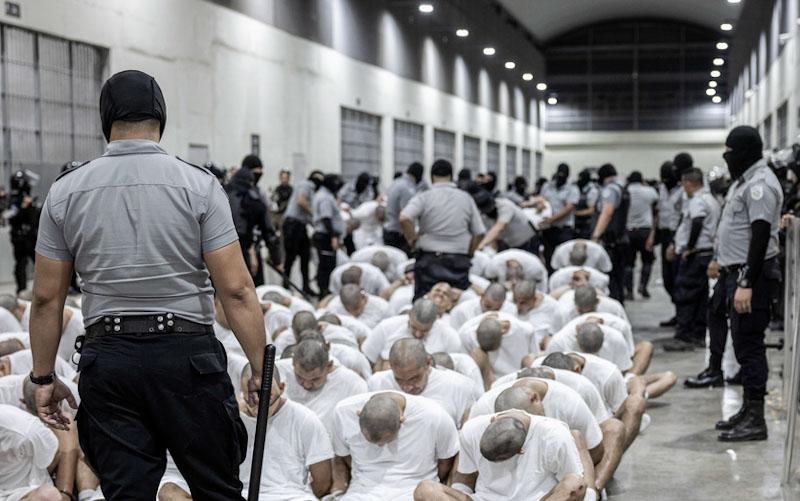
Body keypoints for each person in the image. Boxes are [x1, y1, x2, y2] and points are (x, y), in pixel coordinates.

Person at [29, 70, 267, 499]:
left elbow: (47, 298)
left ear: (105, 118)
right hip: (188, 362)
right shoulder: (199, 184)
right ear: (161, 117)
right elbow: (236, 289)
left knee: (126, 493)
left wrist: (43, 376)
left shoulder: (64, 192)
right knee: (217, 489)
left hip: (109, 362)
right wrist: (258, 366)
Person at [714, 126, 782, 442]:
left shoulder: (760, 185)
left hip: (750, 277)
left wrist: (745, 281)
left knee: (750, 346)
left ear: (742, 151)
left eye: (729, 151)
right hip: (737, 274)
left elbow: (760, 235)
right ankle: (747, 408)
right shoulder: (746, 181)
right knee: (742, 345)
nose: (726, 157)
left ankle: (757, 418)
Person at [414, 410, 586, 501]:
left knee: (575, 484)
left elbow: (572, 481)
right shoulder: (472, 429)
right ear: (491, 422)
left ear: (521, 450)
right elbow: (465, 475)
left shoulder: (555, 435)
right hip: (485, 498)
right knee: (425, 489)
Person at [330, 391, 459, 499]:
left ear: (401, 420)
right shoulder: (343, 412)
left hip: (414, 489)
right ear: (359, 414)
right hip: (362, 490)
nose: (380, 446)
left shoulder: (434, 415)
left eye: (385, 441)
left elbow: (446, 461)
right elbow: (343, 456)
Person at [399, 159, 485, 300]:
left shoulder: (424, 196)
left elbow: (404, 217)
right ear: (452, 176)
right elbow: (480, 232)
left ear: (432, 176)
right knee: (456, 303)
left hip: (428, 261)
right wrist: (470, 252)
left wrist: (412, 239)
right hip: (457, 262)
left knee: (425, 304)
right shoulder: (466, 198)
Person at [664, 168, 721, 351]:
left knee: (686, 295)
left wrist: (688, 247)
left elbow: (696, 222)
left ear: (689, 183)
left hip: (696, 254)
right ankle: (697, 333)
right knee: (700, 297)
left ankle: (685, 336)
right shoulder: (711, 199)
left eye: (684, 184)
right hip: (705, 252)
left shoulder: (697, 201)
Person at [367, 338, 477, 426]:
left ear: (428, 363)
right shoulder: (377, 384)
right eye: (399, 380)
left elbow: (466, 434)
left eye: (414, 378)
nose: (407, 387)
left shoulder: (459, 386)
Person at [278, 338, 368, 435]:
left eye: (315, 379)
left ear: (328, 366)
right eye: (300, 377)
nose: (306, 385)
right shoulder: (279, 370)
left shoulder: (353, 384)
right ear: (293, 363)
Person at [361, 298, 461, 370]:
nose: (418, 334)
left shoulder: (450, 336)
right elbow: (367, 360)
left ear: (435, 320)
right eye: (414, 327)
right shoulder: (386, 327)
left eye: (424, 331)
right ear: (409, 315)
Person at [225, 166, 281, 284]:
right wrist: (277, 261)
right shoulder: (253, 198)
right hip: (242, 250)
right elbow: (269, 232)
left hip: (217, 252)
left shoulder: (221, 192)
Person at [591, 163, 629, 304]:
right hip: (620, 239)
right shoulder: (621, 188)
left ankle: (614, 307)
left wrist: (595, 236)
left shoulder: (610, 190)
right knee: (618, 278)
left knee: (610, 278)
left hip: (611, 241)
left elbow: (607, 212)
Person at [282, 170, 324, 295]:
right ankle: (285, 285)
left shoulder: (309, 188)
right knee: (290, 257)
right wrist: (314, 214)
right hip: (293, 225)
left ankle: (306, 286)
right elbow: (301, 201)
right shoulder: (307, 185)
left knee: (305, 256)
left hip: (300, 225)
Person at [623, 171, 658, 300]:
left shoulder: (625, 191)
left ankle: (629, 291)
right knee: (647, 261)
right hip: (645, 231)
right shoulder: (649, 191)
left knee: (628, 263)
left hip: (629, 231)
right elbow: (656, 206)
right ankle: (643, 286)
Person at [656, 161, 683, 326]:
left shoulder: (681, 191)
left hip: (676, 235)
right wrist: (653, 235)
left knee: (677, 276)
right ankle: (677, 310)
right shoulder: (661, 189)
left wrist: (675, 241)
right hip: (664, 234)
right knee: (667, 278)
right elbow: (658, 213)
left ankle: (682, 314)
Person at [539, 163, 580, 269]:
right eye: (559, 174)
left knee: (565, 258)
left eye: (563, 175)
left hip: (564, 229)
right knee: (549, 257)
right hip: (549, 229)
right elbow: (542, 200)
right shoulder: (547, 186)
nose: (561, 177)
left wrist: (552, 219)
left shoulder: (573, 189)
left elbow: (569, 208)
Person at [313, 174, 346, 298]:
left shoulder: (323, 194)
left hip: (324, 235)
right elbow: (326, 218)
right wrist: (333, 237)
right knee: (327, 266)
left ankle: (324, 290)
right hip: (326, 236)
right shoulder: (325, 197)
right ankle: (325, 292)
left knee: (324, 265)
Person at [6, 170, 40, 293]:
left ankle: (42, 288)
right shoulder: (14, 200)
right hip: (20, 237)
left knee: (40, 263)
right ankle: (21, 290)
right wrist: (23, 207)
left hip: (31, 236)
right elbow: (9, 216)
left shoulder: (27, 198)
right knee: (21, 263)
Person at [384, 162, 424, 255]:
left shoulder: (396, 183)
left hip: (388, 230)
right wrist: (412, 238)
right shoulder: (408, 189)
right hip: (397, 235)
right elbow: (405, 216)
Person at [323, 284, 390, 328]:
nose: (353, 313)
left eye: (356, 308)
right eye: (348, 310)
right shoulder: (333, 308)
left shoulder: (382, 306)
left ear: (364, 298)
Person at [574, 169, 599, 240]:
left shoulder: (592, 191)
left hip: (587, 225)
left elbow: (591, 210)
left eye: (580, 178)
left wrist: (576, 213)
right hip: (578, 224)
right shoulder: (580, 189)